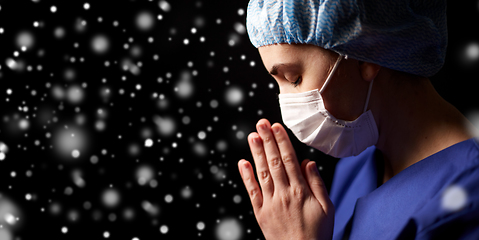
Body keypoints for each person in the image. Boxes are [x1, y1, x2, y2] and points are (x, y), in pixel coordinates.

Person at [237, 0, 479, 239]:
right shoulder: (360, 162)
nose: (286, 106)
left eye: (294, 78)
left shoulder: (467, 194)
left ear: (367, 53)